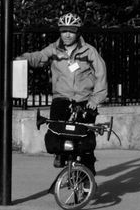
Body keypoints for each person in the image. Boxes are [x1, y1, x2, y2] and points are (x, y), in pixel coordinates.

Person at [19, 13, 108, 172]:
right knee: (55, 132)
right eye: (64, 30)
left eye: (71, 31)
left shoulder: (89, 51)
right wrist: (22, 58)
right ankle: (60, 154)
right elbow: (39, 57)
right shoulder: (53, 49)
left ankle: (87, 173)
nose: (67, 34)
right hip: (62, 98)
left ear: (78, 32)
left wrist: (95, 100)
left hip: (84, 100)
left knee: (85, 140)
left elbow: (101, 75)